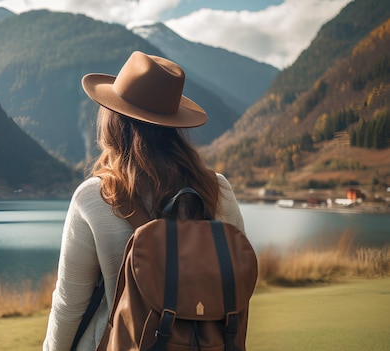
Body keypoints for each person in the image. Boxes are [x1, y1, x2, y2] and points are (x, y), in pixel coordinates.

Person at [42, 51, 245, 351]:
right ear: (174, 125)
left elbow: (69, 304)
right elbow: (235, 288)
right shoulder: (217, 189)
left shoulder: (94, 196)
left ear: (113, 121)